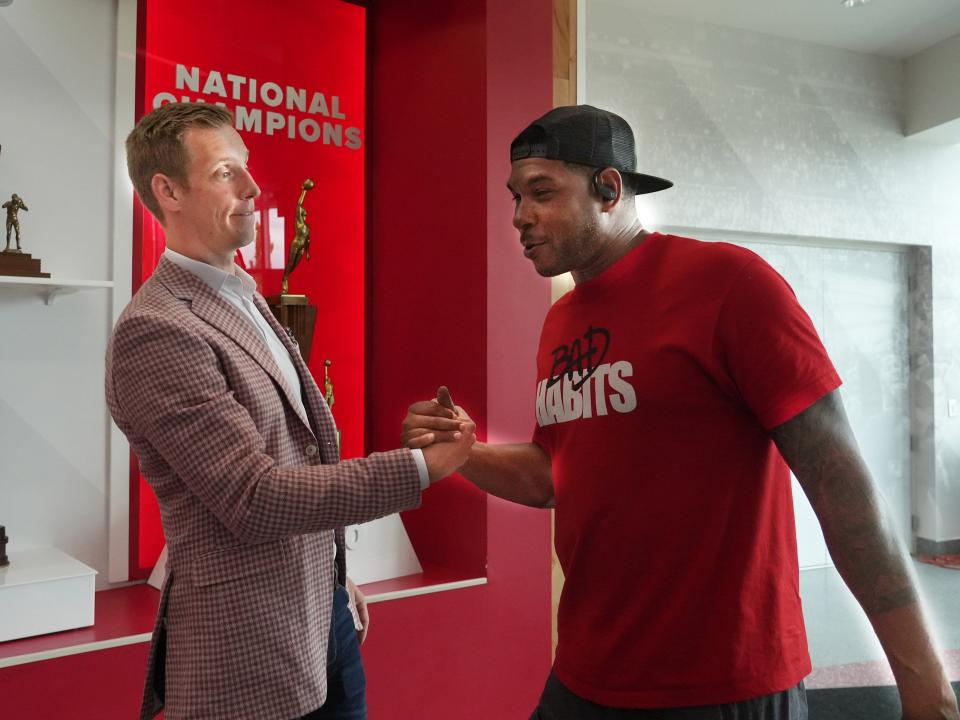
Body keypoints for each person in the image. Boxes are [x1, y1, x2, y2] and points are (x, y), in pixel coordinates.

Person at [403, 105, 959, 719]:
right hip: (587, 674)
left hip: (725, 686)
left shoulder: (730, 284)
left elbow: (841, 486)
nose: (520, 218)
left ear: (608, 189)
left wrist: (924, 687)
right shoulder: (562, 319)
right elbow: (553, 472)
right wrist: (467, 452)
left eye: (541, 193)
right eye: (515, 198)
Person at [106, 102, 475, 720]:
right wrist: (417, 469)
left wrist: (331, 576)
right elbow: (254, 497)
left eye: (245, 167)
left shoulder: (243, 294)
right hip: (246, 655)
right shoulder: (158, 328)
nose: (252, 187)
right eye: (227, 172)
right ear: (167, 191)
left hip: (322, 617)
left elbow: (295, 453)